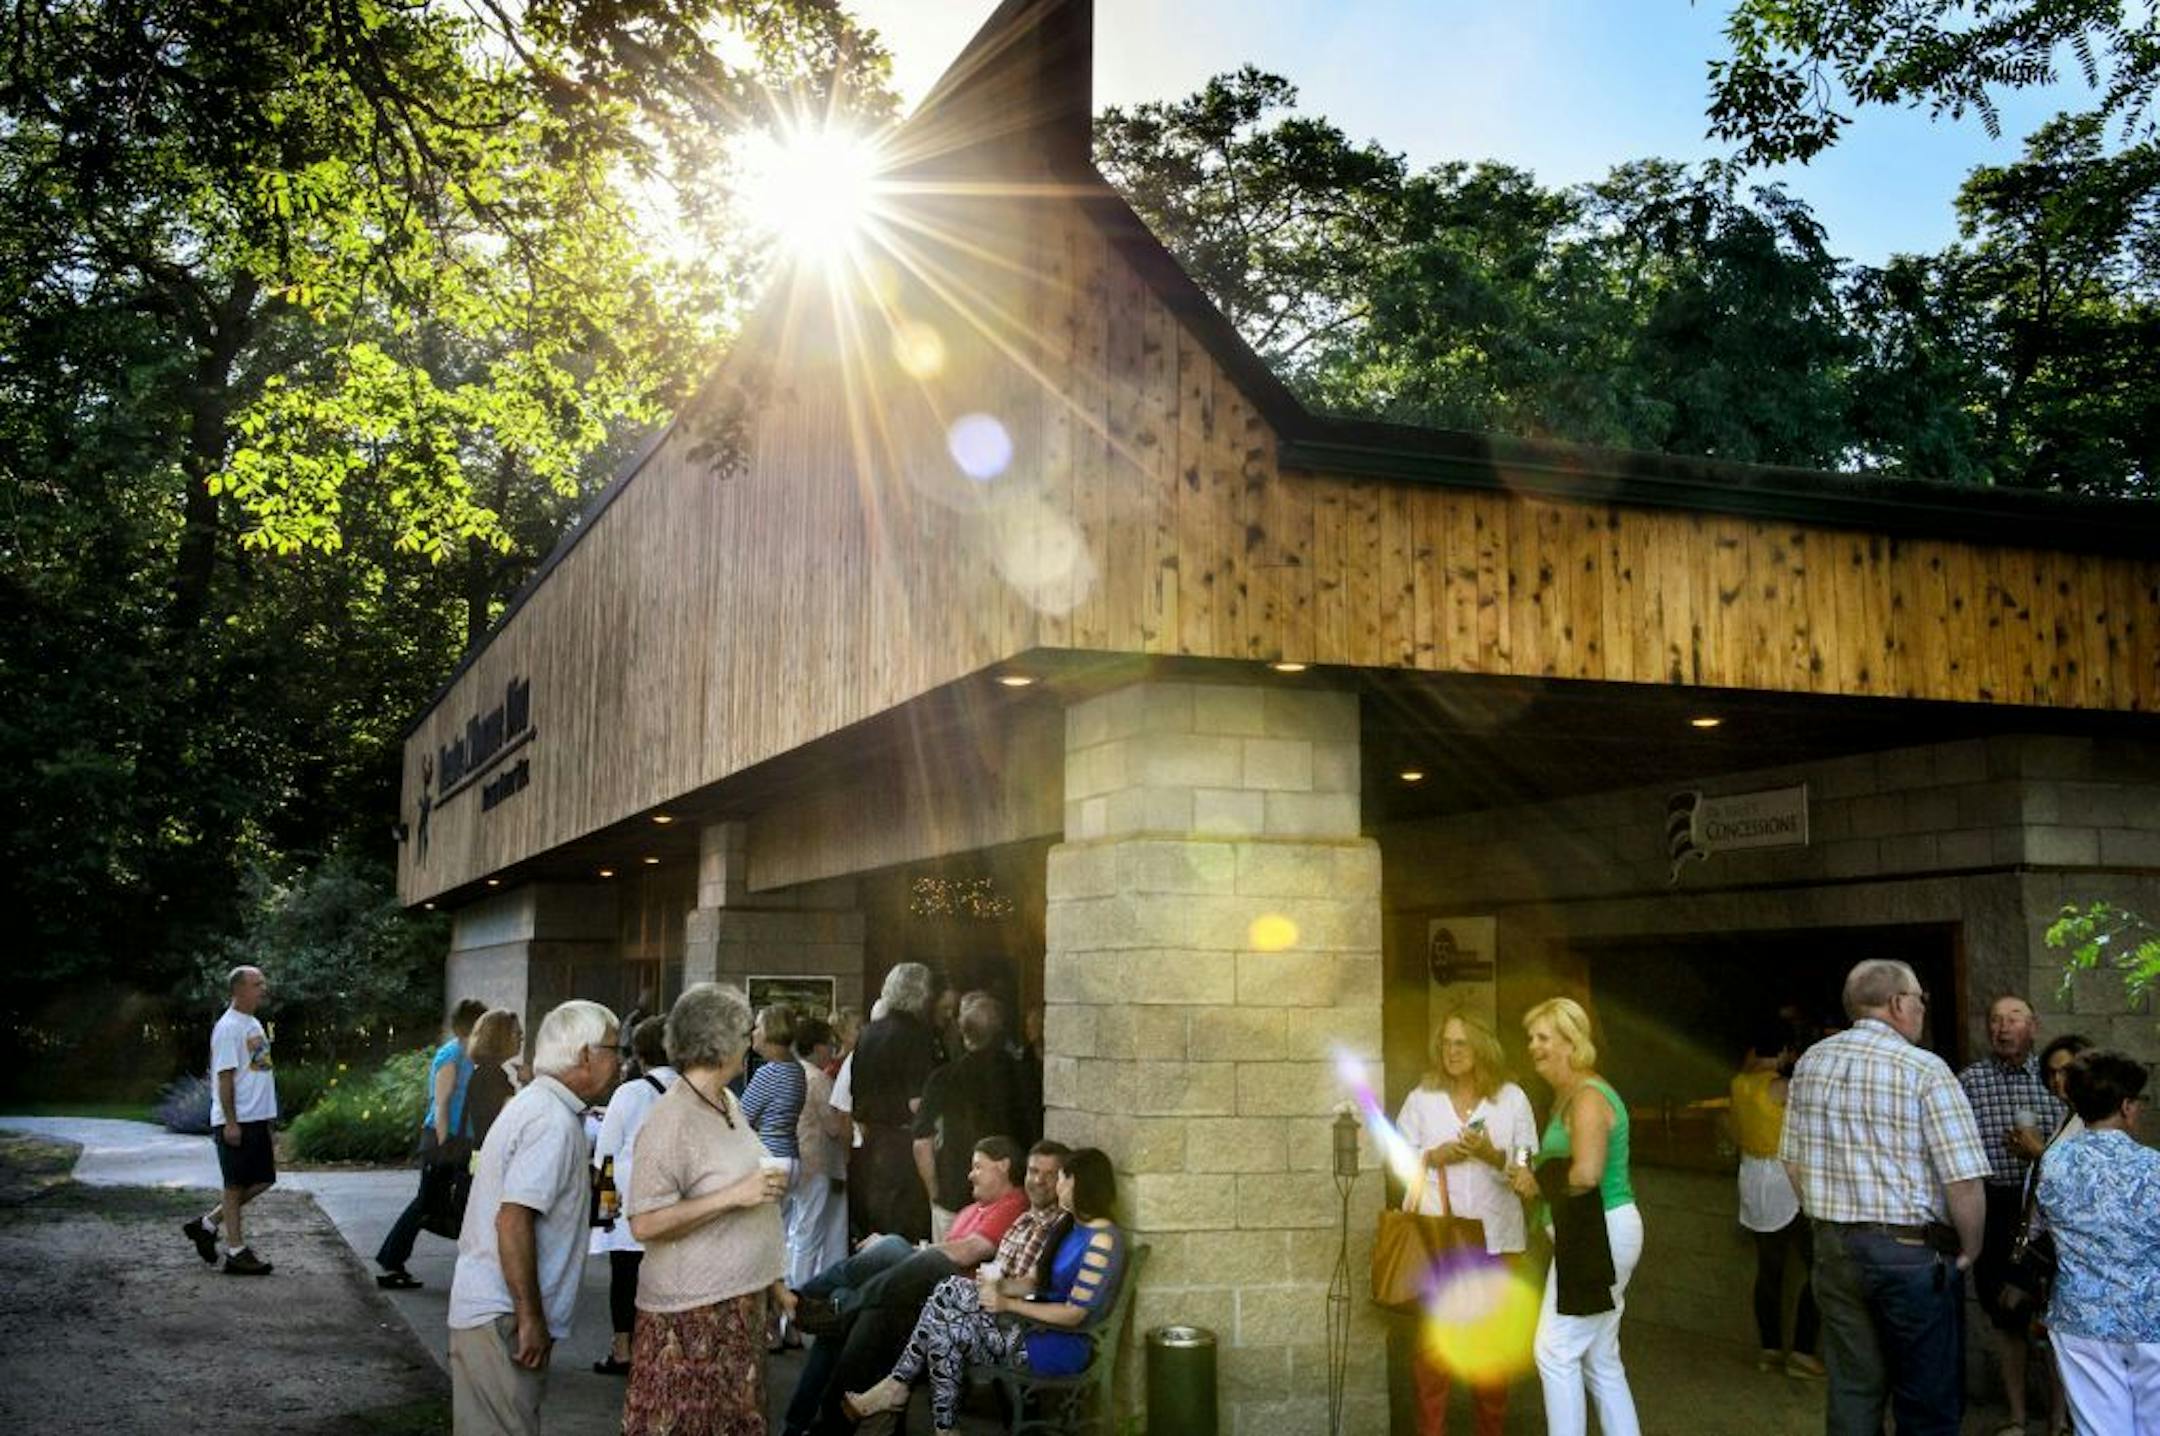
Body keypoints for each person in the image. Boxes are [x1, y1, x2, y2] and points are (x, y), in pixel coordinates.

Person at [1781, 958, 1988, 1436]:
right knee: (1926, 1396)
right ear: (1898, 1003)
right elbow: (1963, 1180)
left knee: (1853, 1388)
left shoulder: (1812, 1062)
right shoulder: (1926, 1069)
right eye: (1920, 1000)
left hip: (1833, 1248)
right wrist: (1972, 1249)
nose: (1921, 1010)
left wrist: (1825, 1217)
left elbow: (1790, 1161)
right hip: (1911, 1254)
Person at [845, 1146, 1128, 1436]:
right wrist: (996, 1286)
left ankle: (906, 1395)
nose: (1058, 1186)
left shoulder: (1101, 1240)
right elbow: (1033, 1282)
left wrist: (1007, 1304)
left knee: (946, 1331)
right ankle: (926, 1413)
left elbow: (1075, 1313)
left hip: (1061, 1344)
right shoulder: (1069, 1226)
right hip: (1034, 1328)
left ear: (1081, 1184)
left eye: (1063, 1179)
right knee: (951, 1288)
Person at [784, 1136, 1055, 1436]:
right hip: (927, 1298)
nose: (970, 1175)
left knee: (894, 1250)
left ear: (1003, 1166)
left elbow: (964, 1254)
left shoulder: (1013, 1205)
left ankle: (809, 1301)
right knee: (859, 1307)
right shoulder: (972, 1212)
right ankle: (807, 1422)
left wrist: (913, 1252)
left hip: (958, 1306)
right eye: (1033, 1172)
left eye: (978, 1166)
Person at [621, 982, 791, 1436]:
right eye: (745, 1032)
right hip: (691, 1320)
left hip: (737, 1310)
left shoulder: (727, 1102)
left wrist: (775, 1284)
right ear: (720, 1042)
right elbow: (644, 1221)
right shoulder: (670, 1119)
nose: (751, 1041)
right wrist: (734, 1195)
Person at [447, 999, 621, 1436]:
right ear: (584, 1054)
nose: (621, 1059)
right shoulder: (550, 1120)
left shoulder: (539, 1106)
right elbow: (513, 1219)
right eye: (614, 1048)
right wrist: (529, 1317)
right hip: (501, 1315)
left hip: (495, 1312)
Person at [1395, 1009, 1539, 1435]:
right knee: (1433, 1352)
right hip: (1439, 1235)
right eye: (1446, 1044)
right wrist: (1433, 1156)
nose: (1452, 1052)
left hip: (1496, 1238)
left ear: (1481, 1046)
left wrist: (1494, 1154)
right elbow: (1396, 1157)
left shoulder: (1511, 1098)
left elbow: (1528, 1156)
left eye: (1461, 1043)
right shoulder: (1422, 1097)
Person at [1505, 996, 1641, 1436]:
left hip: (1598, 1230)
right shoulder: (1567, 1096)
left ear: (1571, 1043)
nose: (1534, 1046)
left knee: (1555, 1350)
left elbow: (1585, 1173)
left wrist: (1535, 1182)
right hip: (1589, 1232)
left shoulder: (1586, 1097)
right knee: (1600, 1357)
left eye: (1543, 1037)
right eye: (1531, 1038)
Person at [1959, 994, 2068, 1434]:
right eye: (1995, 1020)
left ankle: (2059, 1420)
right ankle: (2017, 1417)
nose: (2003, 1028)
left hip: (2051, 1210)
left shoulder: (2055, 1078)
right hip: (1996, 1205)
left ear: (2033, 1026)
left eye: (2014, 1018)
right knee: (2006, 1318)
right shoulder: (1969, 1081)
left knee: (2059, 1318)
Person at [2036, 1050, 2158, 1436]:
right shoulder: (2152, 1166)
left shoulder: (2052, 1162)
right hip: (2151, 1315)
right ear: (2125, 1106)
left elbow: (2041, 1224)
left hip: (2080, 1318)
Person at [1729, 1024, 1823, 1378]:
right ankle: (1802, 1351)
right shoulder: (1782, 1087)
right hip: (1785, 1180)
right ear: (1784, 1049)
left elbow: (1736, 1132)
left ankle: (1769, 1351)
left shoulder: (1738, 1085)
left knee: (1769, 1271)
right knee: (1821, 1267)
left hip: (1752, 1179)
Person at [375, 997, 489, 1289]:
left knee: (446, 1201)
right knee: (425, 1204)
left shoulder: (473, 1055)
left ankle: (393, 1262)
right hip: (444, 1141)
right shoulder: (451, 1055)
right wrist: (443, 1148)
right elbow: (441, 1104)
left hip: (463, 1141)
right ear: (471, 1026)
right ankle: (390, 1263)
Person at [590, 1015, 675, 1376]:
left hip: (628, 1197)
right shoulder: (691, 1091)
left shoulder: (630, 1093)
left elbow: (604, 1155)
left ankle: (623, 1349)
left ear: (640, 1055)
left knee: (624, 1275)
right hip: (672, 1197)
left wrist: (603, 1210)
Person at [182, 965, 278, 1276]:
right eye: (256, 983)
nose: (263, 988)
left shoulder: (253, 1023)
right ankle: (236, 1252)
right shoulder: (228, 1028)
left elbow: (259, 1072)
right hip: (236, 1120)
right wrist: (231, 1123)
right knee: (234, 1186)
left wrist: (267, 1117)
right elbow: (224, 1079)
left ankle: (207, 1224)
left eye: (262, 982)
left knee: (264, 1179)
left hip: (257, 1118)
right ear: (238, 990)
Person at [914, 992, 1031, 1242]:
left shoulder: (944, 1077)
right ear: (999, 1029)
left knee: (945, 1269)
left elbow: (921, 1141)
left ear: (961, 1031)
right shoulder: (1022, 1075)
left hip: (954, 1188)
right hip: (1010, 1191)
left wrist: (935, 1192)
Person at [849, 964, 941, 1244]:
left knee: (874, 1231)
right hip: (904, 1146)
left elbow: (857, 1092)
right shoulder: (918, 1035)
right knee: (905, 1232)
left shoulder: (867, 1033)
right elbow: (917, 1102)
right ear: (923, 994)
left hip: (871, 1142)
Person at [743, 1003, 809, 1345]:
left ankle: (770, 1324)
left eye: (756, 1027)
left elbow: (742, 1117)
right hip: (792, 1158)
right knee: (783, 1240)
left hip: (769, 1160)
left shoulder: (768, 1073)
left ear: (768, 1032)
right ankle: (788, 1325)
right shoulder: (796, 1070)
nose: (752, 1033)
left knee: (764, 1244)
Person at [793, 1015, 850, 1295]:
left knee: (797, 1231)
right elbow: (833, 1127)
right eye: (829, 1044)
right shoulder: (818, 1079)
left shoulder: (788, 1072)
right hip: (817, 1163)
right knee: (811, 1235)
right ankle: (802, 1296)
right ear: (817, 1047)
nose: (831, 1050)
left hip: (794, 1160)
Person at [465, 1009, 525, 1149]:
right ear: (500, 1037)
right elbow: (505, 1121)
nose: (521, 1038)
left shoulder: (487, 1073)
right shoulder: (492, 1077)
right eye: (517, 1033)